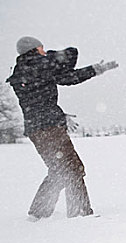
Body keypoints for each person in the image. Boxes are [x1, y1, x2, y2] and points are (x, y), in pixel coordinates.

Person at [6, 36, 119, 220]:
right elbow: (71, 55)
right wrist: (55, 56)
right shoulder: (39, 63)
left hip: (37, 129)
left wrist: (95, 70)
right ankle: (80, 213)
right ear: (33, 50)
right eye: (41, 48)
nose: (44, 50)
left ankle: (38, 213)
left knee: (59, 170)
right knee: (72, 169)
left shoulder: (23, 71)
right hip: (50, 128)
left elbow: (58, 84)